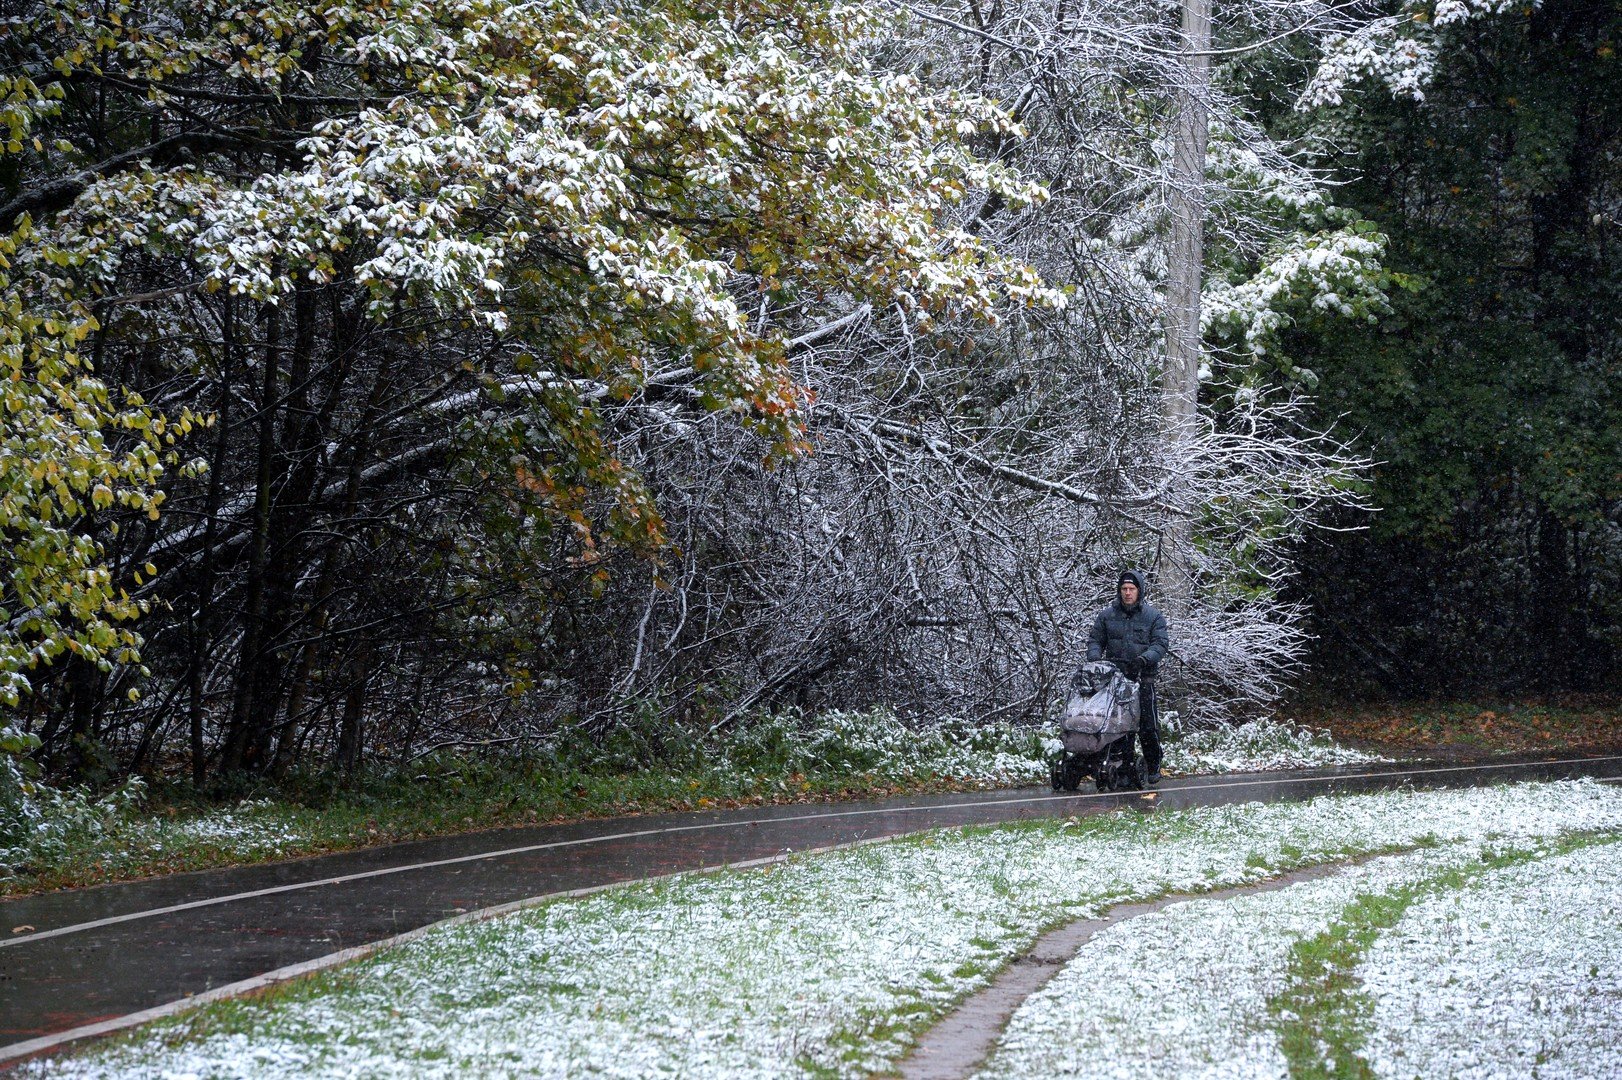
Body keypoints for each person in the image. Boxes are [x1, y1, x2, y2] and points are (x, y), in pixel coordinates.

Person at [1085, 570, 1169, 785]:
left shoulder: (1153, 617)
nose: (1128, 593)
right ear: (1119, 591)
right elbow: (1095, 640)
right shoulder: (1107, 616)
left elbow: (1160, 644)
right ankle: (1122, 764)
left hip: (1143, 678)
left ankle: (1153, 764)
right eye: (1124, 589)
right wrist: (1095, 659)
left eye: (1131, 589)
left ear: (1139, 591)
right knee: (1116, 724)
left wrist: (1144, 659)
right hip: (1114, 679)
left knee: (1147, 725)